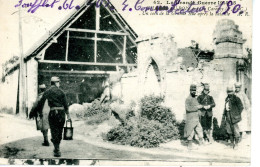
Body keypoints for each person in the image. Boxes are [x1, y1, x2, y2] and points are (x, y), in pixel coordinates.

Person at [37, 76, 71, 157]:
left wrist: (40, 112)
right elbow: (66, 104)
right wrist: (68, 115)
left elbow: (40, 103)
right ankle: (57, 147)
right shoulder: (61, 92)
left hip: (52, 113)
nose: (59, 84)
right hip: (61, 113)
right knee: (59, 130)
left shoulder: (47, 92)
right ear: (56, 83)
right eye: (58, 82)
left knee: (53, 130)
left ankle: (56, 148)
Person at [184, 84, 204, 150]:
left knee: (199, 129)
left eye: (194, 90)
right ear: (190, 90)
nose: (193, 92)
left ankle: (201, 143)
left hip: (196, 118)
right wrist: (197, 107)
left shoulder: (195, 98)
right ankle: (189, 146)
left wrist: (200, 106)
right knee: (190, 132)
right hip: (190, 118)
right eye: (192, 90)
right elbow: (188, 109)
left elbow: (197, 106)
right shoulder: (188, 99)